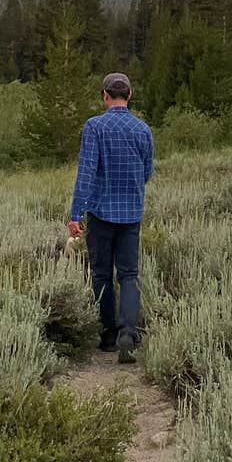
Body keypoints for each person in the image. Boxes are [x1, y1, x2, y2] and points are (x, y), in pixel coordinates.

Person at [68, 72, 154, 364]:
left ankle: (108, 337)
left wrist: (75, 214)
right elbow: (147, 172)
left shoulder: (94, 127)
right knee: (129, 275)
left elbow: (86, 173)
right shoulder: (142, 129)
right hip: (131, 214)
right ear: (129, 96)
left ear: (105, 95)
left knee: (101, 274)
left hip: (101, 213)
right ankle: (128, 333)